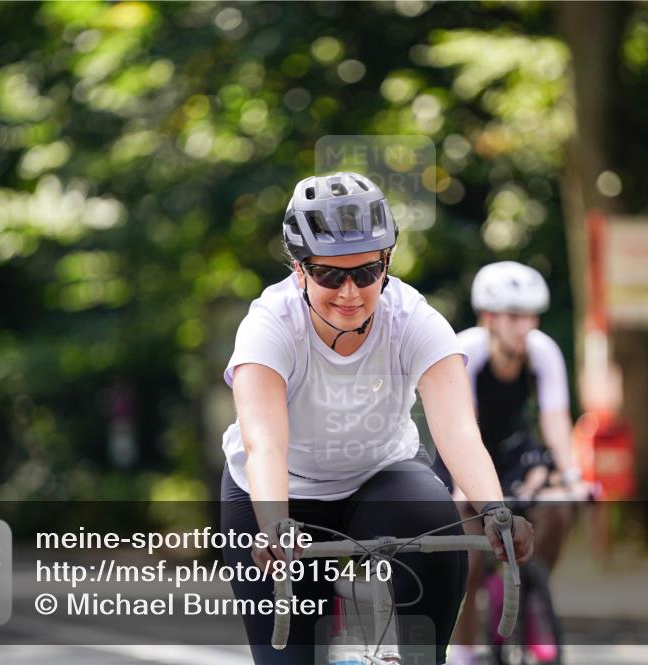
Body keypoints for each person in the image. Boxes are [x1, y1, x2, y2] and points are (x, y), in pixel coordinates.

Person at [219, 173, 535, 665]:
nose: (350, 292)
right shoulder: (269, 327)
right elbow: (265, 445)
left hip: (379, 479)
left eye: (367, 272)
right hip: (280, 494)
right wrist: (273, 526)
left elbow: (457, 431)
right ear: (299, 271)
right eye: (329, 275)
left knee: (433, 512)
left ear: (386, 263)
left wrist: (495, 510)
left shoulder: (413, 318)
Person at [440, 261, 586, 665]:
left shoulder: (542, 350)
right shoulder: (466, 351)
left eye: (531, 316)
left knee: (557, 509)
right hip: (463, 456)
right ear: (489, 317)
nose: (526, 326)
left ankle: (526, 592)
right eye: (515, 316)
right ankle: (464, 651)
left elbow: (555, 422)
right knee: (465, 557)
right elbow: (461, 428)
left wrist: (573, 477)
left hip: (515, 457)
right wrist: (464, 488)